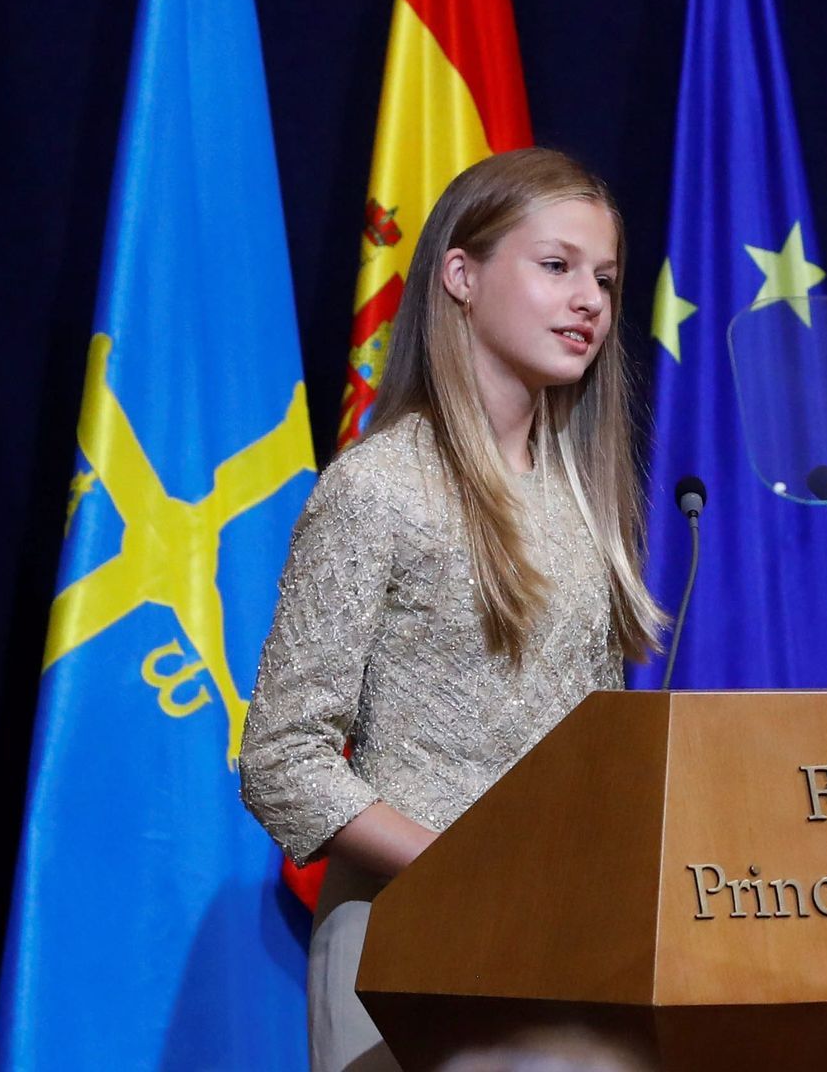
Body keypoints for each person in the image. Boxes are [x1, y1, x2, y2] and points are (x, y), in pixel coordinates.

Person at [239, 147, 665, 1072]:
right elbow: (281, 757)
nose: (589, 299)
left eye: (604, 277)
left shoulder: (582, 497)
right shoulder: (379, 487)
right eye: (556, 267)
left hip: (567, 947)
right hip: (409, 946)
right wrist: (466, 869)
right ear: (461, 275)